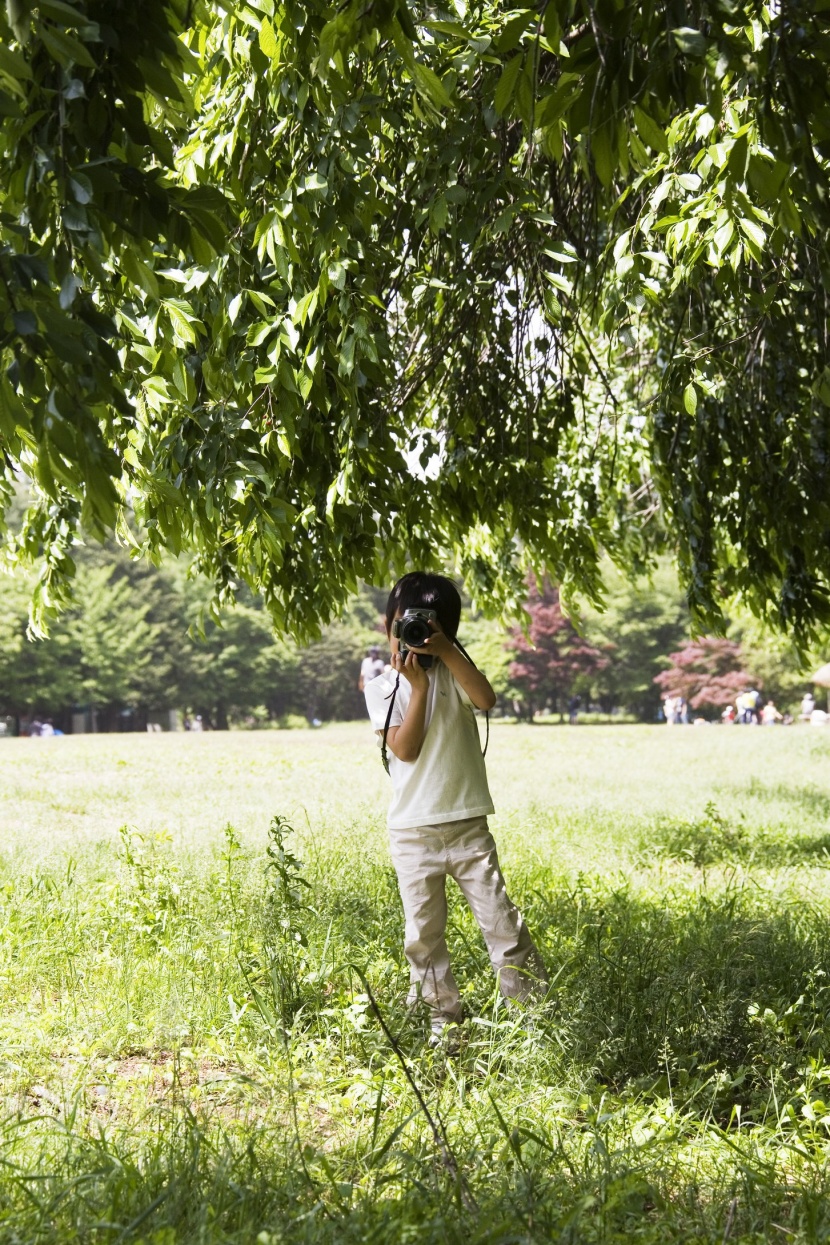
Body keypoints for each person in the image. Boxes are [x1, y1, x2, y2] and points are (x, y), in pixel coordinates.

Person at [363, 572, 548, 1047]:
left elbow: (486, 699)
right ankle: (443, 1024)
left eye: (429, 627)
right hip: (412, 833)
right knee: (423, 936)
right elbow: (405, 750)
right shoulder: (383, 687)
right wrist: (418, 686)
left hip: (467, 825)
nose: (417, 636)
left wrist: (446, 653)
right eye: (409, 625)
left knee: (502, 923)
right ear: (390, 625)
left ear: (447, 628)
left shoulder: (457, 671)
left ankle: (531, 1017)